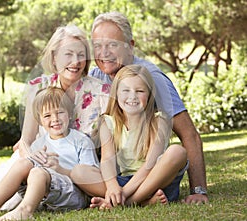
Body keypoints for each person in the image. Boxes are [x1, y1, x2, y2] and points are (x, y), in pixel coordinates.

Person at [0, 24, 109, 212]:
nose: (75, 61)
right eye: (68, 54)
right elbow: (26, 139)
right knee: (20, 164)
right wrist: (33, 156)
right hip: (40, 160)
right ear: (54, 57)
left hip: (78, 168)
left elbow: (109, 144)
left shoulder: (101, 92)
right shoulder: (39, 86)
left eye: (81, 54)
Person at [87, 11, 208, 204]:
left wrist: (199, 190)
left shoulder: (151, 78)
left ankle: (125, 200)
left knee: (176, 152)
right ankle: (135, 199)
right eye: (97, 46)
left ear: (131, 46)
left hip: (149, 171)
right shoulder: (96, 76)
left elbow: (189, 134)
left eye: (112, 44)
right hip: (119, 176)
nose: (104, 53)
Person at [0, 87, 99, 220]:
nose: (55, 119)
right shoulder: (39, 144)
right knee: (23, 163)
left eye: (59, 112)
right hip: (44, 195)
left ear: (69, 114)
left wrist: (61, 170)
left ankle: (24, 211)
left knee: (37, 172)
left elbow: (91, 178)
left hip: (73, 194)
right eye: (47, 115)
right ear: (40, 121)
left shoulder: (81, 141)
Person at [71, 64, 188, 208]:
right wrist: (113, 186)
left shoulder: (159, 121)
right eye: (126, 90)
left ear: (149, 94)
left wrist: (124, 194)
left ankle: (126, 203)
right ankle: (142, 202)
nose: (132, 96)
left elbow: (149, 166)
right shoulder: (107, 122)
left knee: (178, 152)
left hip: (156, 182)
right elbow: (107, 159)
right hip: (123, 181)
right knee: (78, 172)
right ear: (116, 94)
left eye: (139, 91)